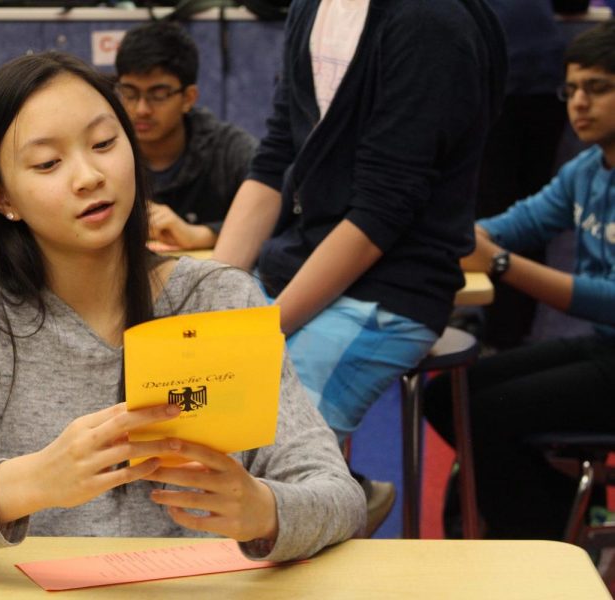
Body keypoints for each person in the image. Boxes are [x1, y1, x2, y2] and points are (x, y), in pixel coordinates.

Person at [0, 52, 365, 559]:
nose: (89, 176)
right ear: (1, 197)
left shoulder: (219, 299)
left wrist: (264, 510)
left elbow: (338, 496)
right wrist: (34, 482)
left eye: (104, 143)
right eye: (48, 162)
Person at [212, 0, 507, 534]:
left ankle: (336, 503)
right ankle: (348, 490)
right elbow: (275, 158)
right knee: (190, 419)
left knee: (255, 459)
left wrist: (256, 332)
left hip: (388, 290)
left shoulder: (430, 23)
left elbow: (380, 214)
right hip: (298, 266)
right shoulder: (312, 6)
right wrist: (215, 296)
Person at [424, 21, 615, 540]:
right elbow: (510, 226)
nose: (579, 103)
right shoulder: (586, 171)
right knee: (447, 399)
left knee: (483, 415)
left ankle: (545, 549)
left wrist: (501, 263)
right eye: (571, 89)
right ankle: (566, 519)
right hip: (603, 350)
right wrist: (439, 235)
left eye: (597, 89)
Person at [468, 0, 568, 350]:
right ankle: (511, 332)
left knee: (507, 208)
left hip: (502, 74)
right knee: (529, 209)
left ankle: (499, 333)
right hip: (543, 74)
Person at [115, 21, 257, 250]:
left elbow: (281, 215)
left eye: (158, 94)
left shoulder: (228, 149)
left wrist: (202, 234)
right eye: (129, 93)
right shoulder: (105, 151)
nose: (141, 109)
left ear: (189, 98)